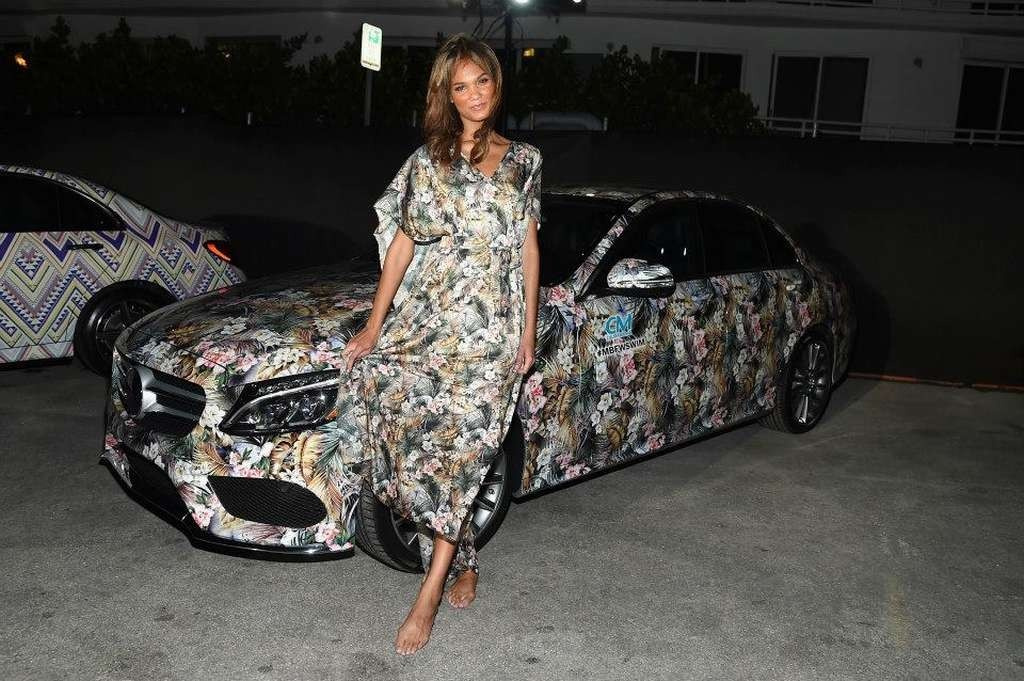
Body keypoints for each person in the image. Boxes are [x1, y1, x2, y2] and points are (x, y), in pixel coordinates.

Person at [339, 33, 542, 656]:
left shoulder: (526, 160)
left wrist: (529, 329)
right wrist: (375, 325)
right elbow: (402, 244)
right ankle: (466, 558)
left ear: (496, 83)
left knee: (467, 453)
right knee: (428, 450)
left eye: (483, 81)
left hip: (493, 335)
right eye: (461, 86)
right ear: (446, 96)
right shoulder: (429, 161)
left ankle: (426, 595)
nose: (475, 94)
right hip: (432, 324)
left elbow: (529, 249)